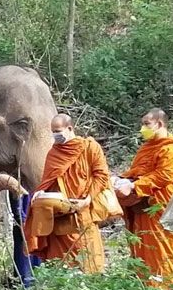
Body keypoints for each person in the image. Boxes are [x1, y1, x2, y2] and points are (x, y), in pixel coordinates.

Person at [23, 114, 110, 273]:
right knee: (60, 268)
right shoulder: (54, 153)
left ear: (70, 129)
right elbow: (48, 181)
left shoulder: (89, 148)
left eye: (58, 131)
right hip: (60, 218)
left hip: (84, 217)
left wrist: (88, 199)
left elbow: (102, 176)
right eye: (53, 132)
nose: (55, 135)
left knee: (89, 267)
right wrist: (40, 193)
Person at [117, 108, 173, 288]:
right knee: (143, 245)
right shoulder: (146, 148)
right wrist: (122, 179)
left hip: (166, 204)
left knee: (166, 245)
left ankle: (168, 288)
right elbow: (139, 170)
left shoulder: (171, 148)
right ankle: (145, 288)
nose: (142, 129)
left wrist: (133, 185)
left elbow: (164, 176)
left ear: (160, 124)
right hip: (143, 204)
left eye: (146, 124)